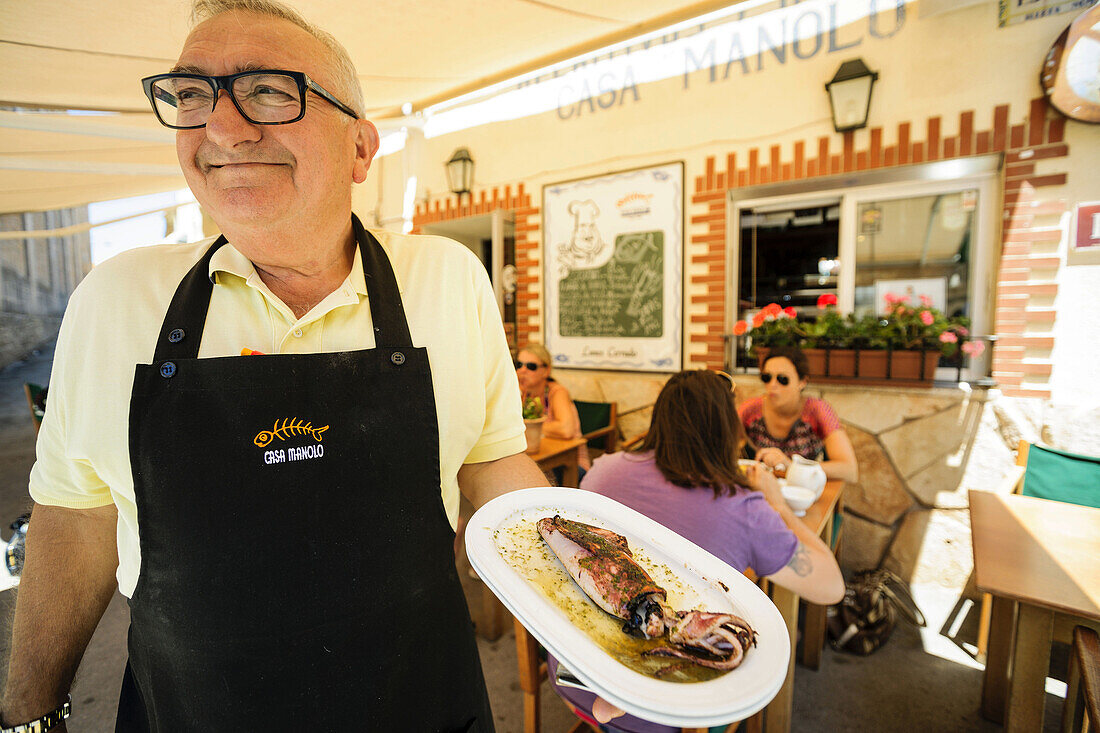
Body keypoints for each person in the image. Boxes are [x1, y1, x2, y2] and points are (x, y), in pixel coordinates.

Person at [0, 2, 546, 730]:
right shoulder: (115, 300)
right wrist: (26, 713)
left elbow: (493, 461)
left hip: (423, 705)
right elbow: (75, 514)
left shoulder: (448, 279)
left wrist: (606, 596)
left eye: (267, 90)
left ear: (360, 147)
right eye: (192, 95)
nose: (220, 128)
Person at [548, 370, 845, 732]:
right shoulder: (743, 507)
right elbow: (831, 587)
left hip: (571, 676)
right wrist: (779, 506)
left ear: (660, 419)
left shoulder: (601, 471)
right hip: (664, 707)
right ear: (726, 430)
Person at [739, 345, 859, 483]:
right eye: (767, 377)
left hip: (803, 493)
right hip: (762, 491)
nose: (772, 385)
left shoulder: (816, 410)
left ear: (802, 382)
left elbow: (850, 471)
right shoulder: (751, 409)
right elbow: (722, 442)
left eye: (783, 379)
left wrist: (792, 466)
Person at [515, 342, 591, 473]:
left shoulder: (556, 392)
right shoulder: (523, 394)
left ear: (546, 371)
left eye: (531, 367)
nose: (522, 371)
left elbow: (565, 430)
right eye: (519, 365)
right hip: (539, 458)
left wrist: (530, 426)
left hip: (570, 463)